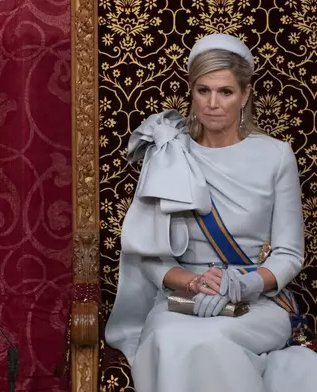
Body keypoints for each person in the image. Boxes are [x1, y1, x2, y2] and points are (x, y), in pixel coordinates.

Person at [104, 33, 317, 391]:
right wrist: (194, 283)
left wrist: (247, 284)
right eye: (203, 90)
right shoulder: (169, 153)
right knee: (171, 342)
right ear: (192, 91)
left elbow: (290, 254)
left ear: (245, 94)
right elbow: (150, 258)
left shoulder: (276, 156)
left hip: (257, 303)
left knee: (213, 342)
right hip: (181, 300)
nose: (213, 103)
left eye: (226, 92)